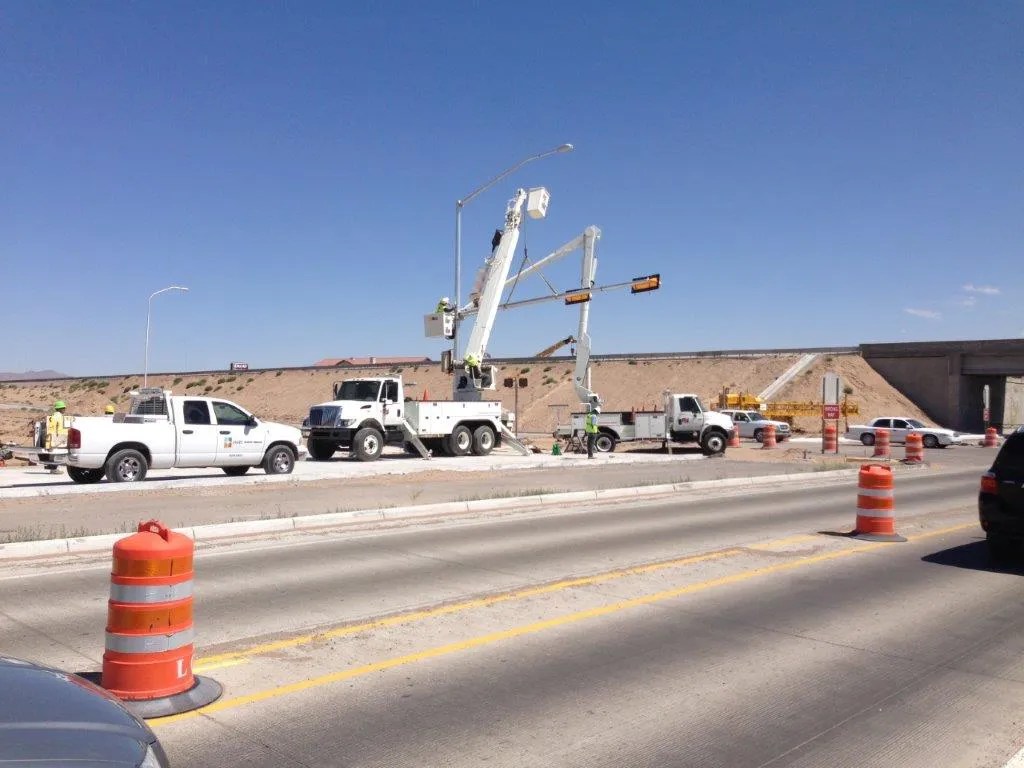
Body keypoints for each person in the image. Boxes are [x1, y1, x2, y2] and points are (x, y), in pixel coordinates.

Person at [45, 400, 70, 474]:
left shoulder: (53, 416)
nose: (65, 409)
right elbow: (61, 428)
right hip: (58, 438)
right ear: (60, 408)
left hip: (51, 437)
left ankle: (52, 468)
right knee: (56, 454)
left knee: (52, 453)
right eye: (64, 408)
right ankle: (54, 469)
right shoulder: (60, 417)